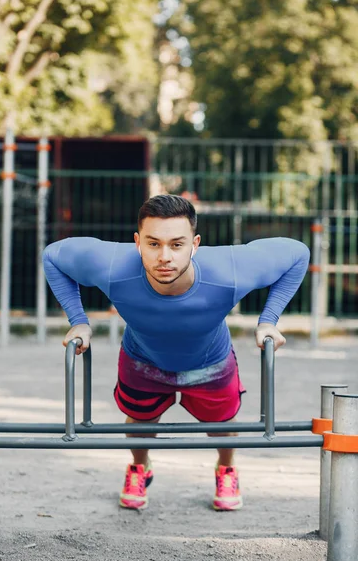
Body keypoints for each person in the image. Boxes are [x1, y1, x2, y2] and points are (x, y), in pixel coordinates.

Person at [42, 194, 310, 512]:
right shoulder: (112, 264)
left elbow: (298, 254)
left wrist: (268, 320)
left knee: (223, 424)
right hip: (143, 361)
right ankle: (140, 468)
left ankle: (226, 469)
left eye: (177, 245)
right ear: (137, 242)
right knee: (140, 421)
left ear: (195, 244)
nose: (164, 257)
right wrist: (79, 321)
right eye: (153, 244)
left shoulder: (230, 270)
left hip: (211, 362)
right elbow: (53, 257)